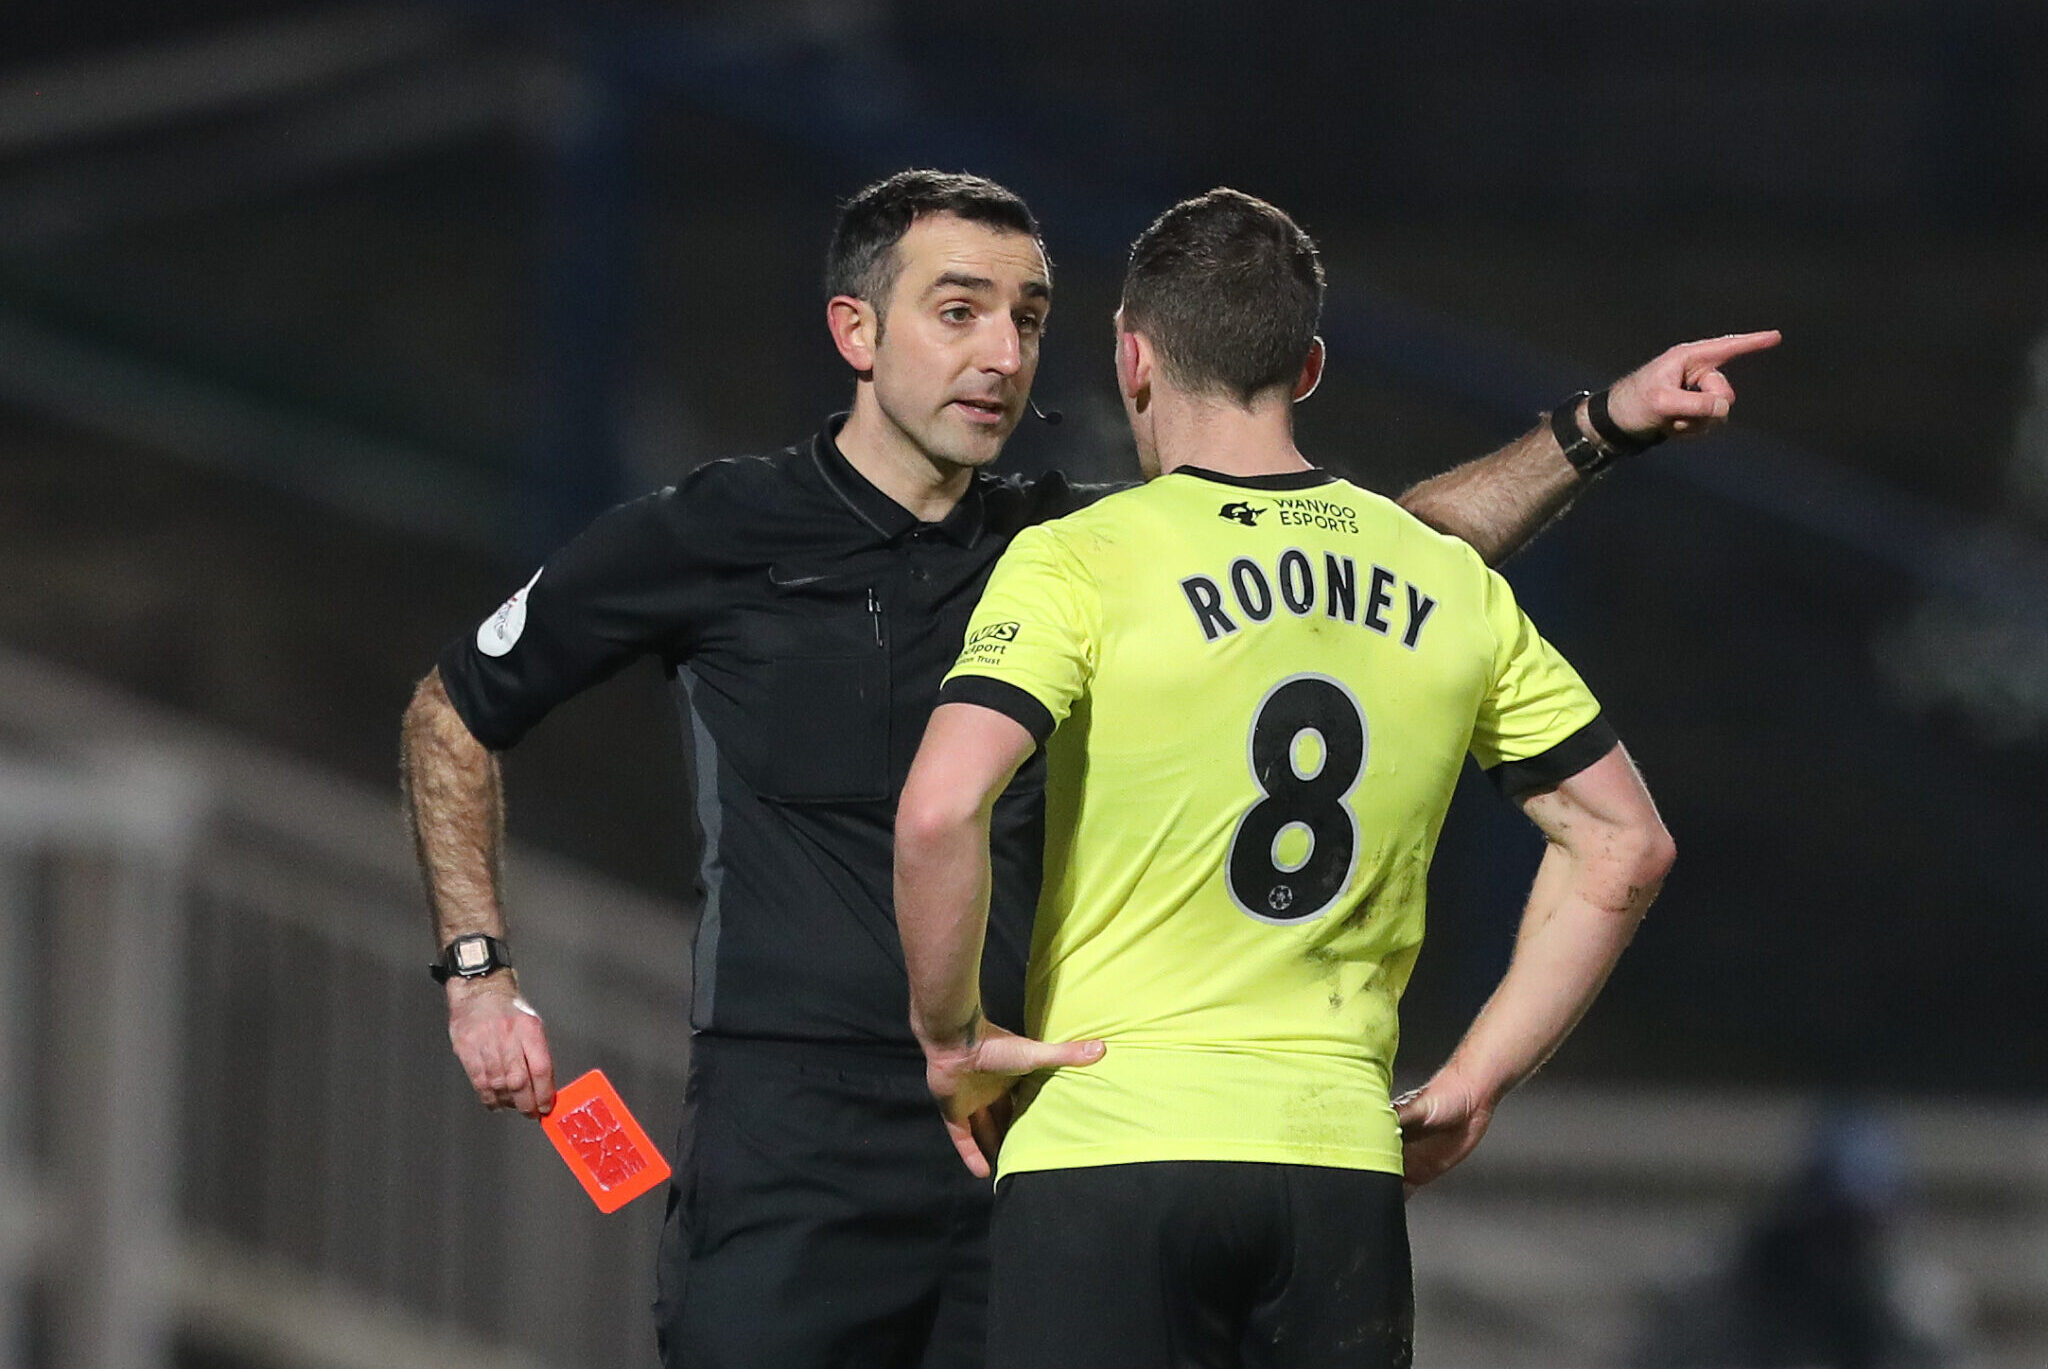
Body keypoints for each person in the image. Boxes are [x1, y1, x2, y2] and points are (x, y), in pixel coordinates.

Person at [402, 167, 1772, 1369]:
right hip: (794, 1132)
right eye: (959, 310)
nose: (1002, 350)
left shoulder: (1070, 542)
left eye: (1030, 315)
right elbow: (454, 710)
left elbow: (1376, 547)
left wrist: (1599, 425)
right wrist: (479, 976)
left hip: (1036, 1122)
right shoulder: (707, 531)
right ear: (855, 332)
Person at [894, 188, 1727, 1368]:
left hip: (1106, 1145)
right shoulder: (1440, 578)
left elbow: (939, 808)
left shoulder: (1078, 560)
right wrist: (1478, 1076)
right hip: (1331, 1162)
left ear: (1132, 357)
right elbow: (1622, 843)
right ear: (1310, 364)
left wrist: (950, 1037)